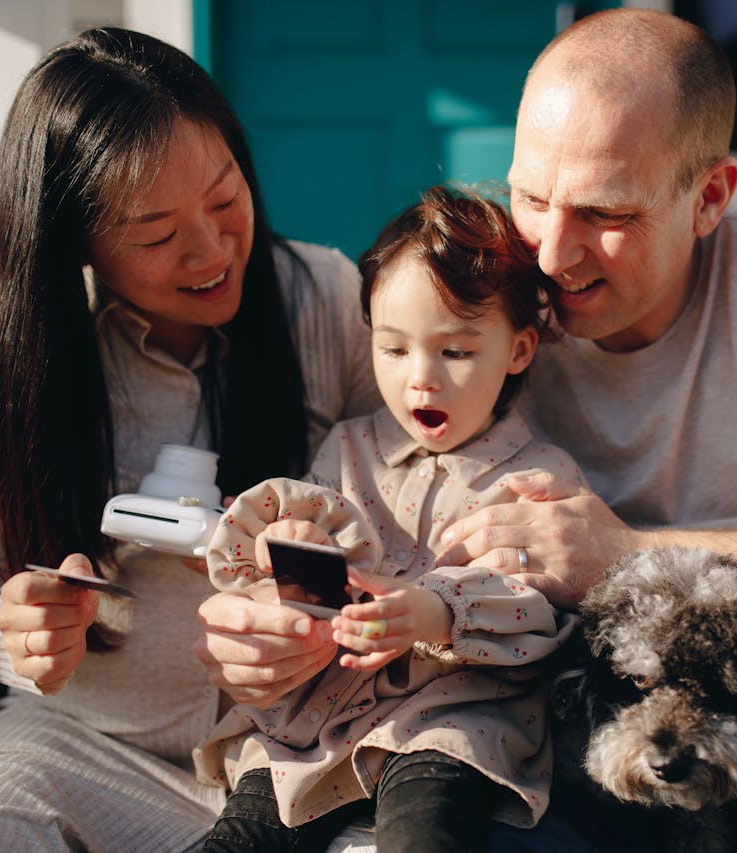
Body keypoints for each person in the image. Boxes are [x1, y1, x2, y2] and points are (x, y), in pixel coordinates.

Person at [197, 9, 737, 853]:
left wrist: (627, 555)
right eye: (531, 196)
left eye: (606, 216)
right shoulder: (480, 296)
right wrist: (273, 620)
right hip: (577, 746)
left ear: (708, 197)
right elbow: (350, 490)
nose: (550, 253)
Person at [0, 28, 380, 851]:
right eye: (157, 233)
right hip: (84, 740)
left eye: (225, 195)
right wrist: (19, 637)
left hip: (304, 746)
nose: (211, 249)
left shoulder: (329, 299)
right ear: (71, 239)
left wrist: (315, 605)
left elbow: (414, 518)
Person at [196, 185, 585, 852]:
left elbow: (544, 609)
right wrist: (290, 543)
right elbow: (291, 537)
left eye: (455, 352)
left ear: (518, 350)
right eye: (394, 348)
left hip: (451, 719)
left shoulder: (537, 477)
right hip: (322, 713)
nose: (420, 380)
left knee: (423, 834)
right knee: (243, 834)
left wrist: (434, 611)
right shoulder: (349, 448)